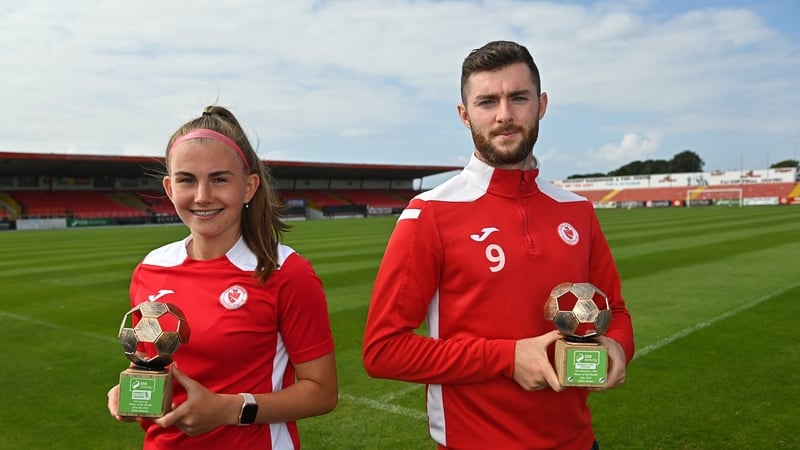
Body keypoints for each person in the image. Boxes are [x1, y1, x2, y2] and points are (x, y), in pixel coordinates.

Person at [362, 41, 634, 450]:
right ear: (464, 114)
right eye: (487, 102)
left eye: (518, 98)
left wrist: (617, 346)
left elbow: (616, 312)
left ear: (541, 104)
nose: (504, 115)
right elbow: (383, 350)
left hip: (579, 442)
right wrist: (506, 359)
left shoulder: (577, 210)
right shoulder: (429, 214)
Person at [107, 105, 338, 449]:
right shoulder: (151, 268)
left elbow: (321, 393)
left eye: (219, 179)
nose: (202, 196)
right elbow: (156, 364)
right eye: (187, 179)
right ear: (169, 188)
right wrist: (131, 391)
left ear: (248, 187)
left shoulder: (284, 272)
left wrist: (229, 409)